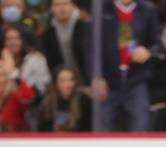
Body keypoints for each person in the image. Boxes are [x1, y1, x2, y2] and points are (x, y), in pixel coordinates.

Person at [93, 0, 158, 132]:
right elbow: (91, 46)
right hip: (108, 80)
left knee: (141, 124)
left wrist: (148, 51)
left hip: (136, 79)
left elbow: (156, 42)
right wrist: (96, 76)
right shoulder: (102, 10)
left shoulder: (147, 10)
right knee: (101, 127)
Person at [41, 0, 91, 84]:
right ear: (51, 8)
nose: (62, 8)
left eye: (65, 4)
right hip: (63, 85)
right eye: (57, 5)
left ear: (73, 5)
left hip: (88, 81)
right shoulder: (48, 33)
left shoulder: (85, 26)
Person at [38, 66, 91, 132]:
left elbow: (89, 129)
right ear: (55, 84)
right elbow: (42, 132)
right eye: (63, 81)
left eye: (71, 80)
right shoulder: (47, 104)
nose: (68, 84)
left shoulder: (84, 101)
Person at [0, 52, 33, 131]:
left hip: (15, 139)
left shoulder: (15, 95)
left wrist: (14, 74)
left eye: (2, 75)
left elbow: (28, 96)